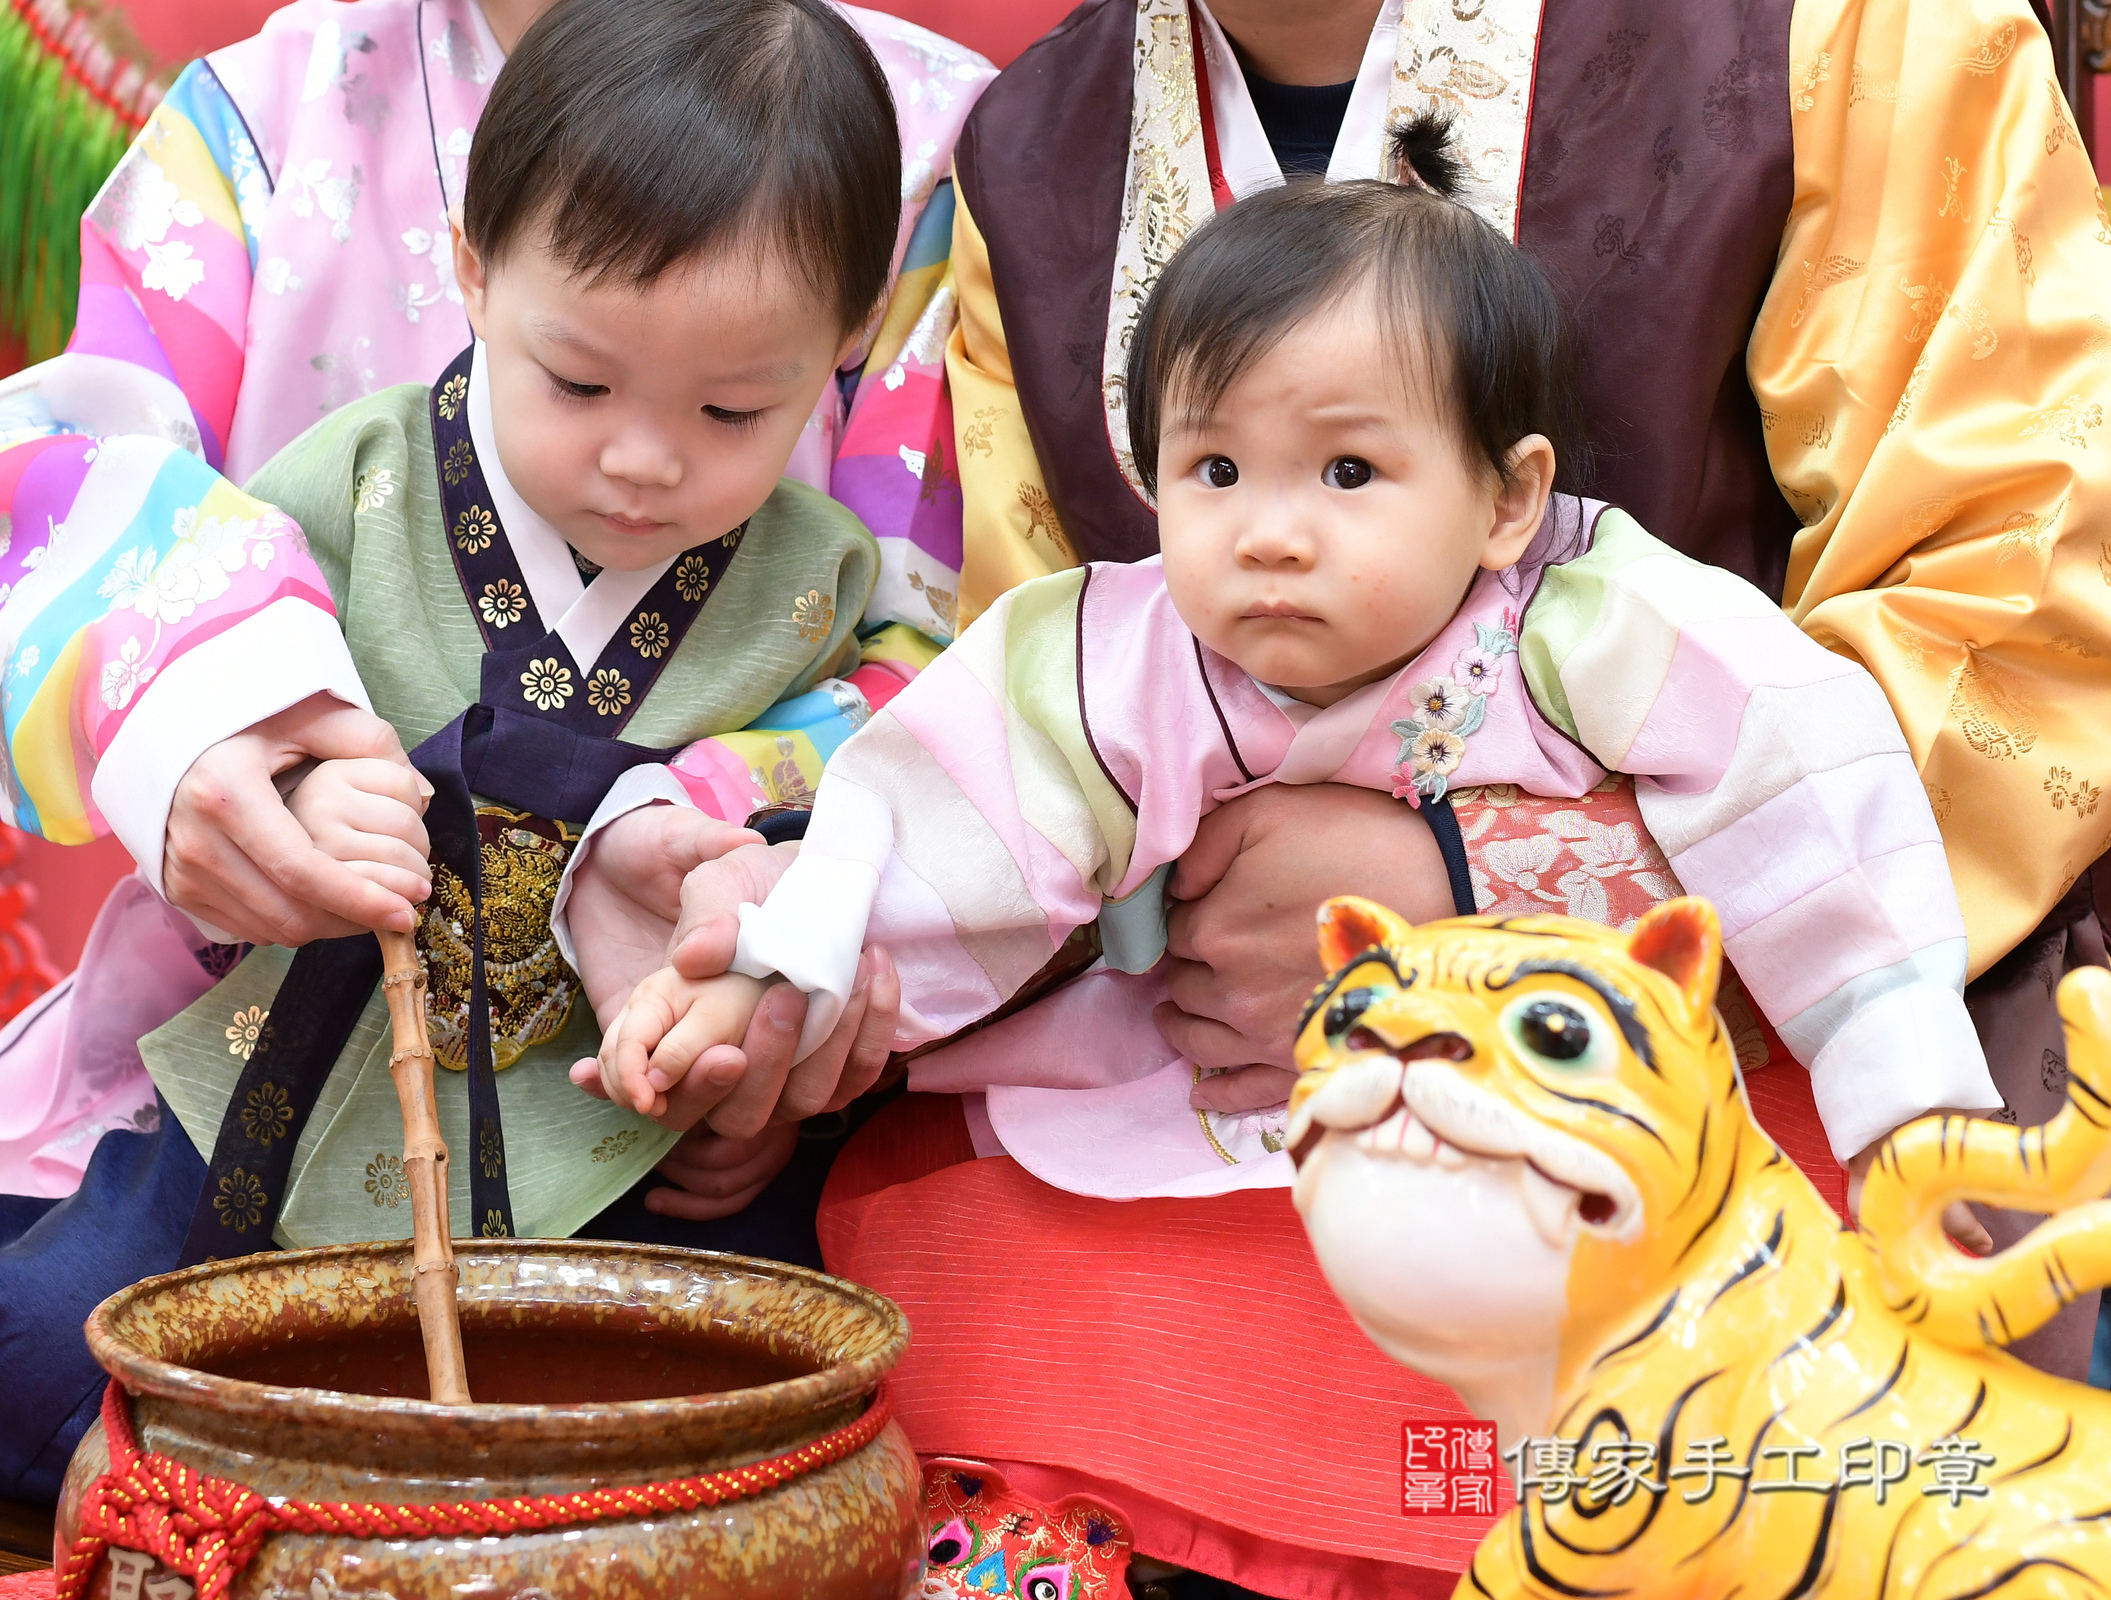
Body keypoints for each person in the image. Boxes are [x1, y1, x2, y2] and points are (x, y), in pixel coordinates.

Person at [742, 0, 2110, 1591]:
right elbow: (1037, 714)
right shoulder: (1035, 153)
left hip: (1733, 1028)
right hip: (1205, 1074)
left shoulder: (1849, 30)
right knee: (933, 1386)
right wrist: (805, 915)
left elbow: (2034, 599)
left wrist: (1501, 886)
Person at [596, 140, 1998, 1218]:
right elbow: (940, 824)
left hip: (1573, 1096)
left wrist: (1897, 1069)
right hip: (1223, 1080)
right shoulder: (1122, 647)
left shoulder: (1599, 615)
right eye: (1213, 470)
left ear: (1509, 502)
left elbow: (1804, 780)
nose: (1268, 530)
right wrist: (781, 978)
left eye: (1348, 472)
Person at [0, 0, 910, 1505]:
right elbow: (116, 526)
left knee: (778, 1400)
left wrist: (763, 980)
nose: (642, 458)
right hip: (302, 1056)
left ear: (848, 337)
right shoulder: (353, 469)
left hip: (621, 1129)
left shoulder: (815, 573)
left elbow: (894, 738)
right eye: (581, 384)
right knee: (46, 1349)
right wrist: (257, 746)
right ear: (474, 274)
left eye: (736, 409)